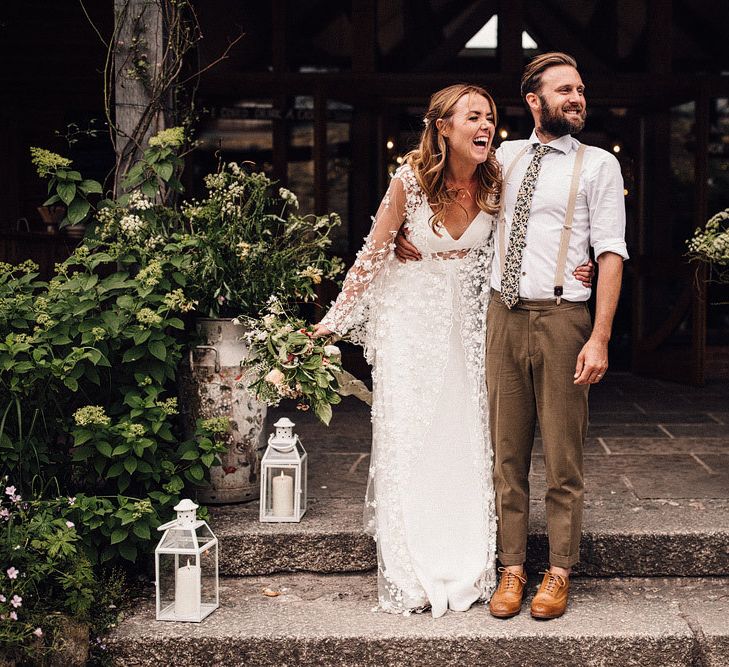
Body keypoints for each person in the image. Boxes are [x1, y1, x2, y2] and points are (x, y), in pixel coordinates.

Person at [314, 83, 593, 618]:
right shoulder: (409, 181)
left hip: (472, 326)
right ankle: (413, 561)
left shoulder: (500, 178)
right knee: (415, 437)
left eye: (490, 117)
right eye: (473, 118)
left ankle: (468, 559)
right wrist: (329, 326)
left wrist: (583, 264)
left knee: (472, 441)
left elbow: (542, 227)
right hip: (412, 327)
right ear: (442, 126)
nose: (486, 126)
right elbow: (370, 258)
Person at [397, 52, 628, 620]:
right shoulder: (501, 156)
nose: (577, 98)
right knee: (506, 452)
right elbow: (446, 191)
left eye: (580, 89)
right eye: (565, 90)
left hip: (563, 316)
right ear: (535, 101)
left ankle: (559, 570)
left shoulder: (599, 165)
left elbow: (610, 253)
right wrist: (412, 238)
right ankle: (513, 567)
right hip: (502, 315)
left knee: (563, 453)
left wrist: (598, 336)